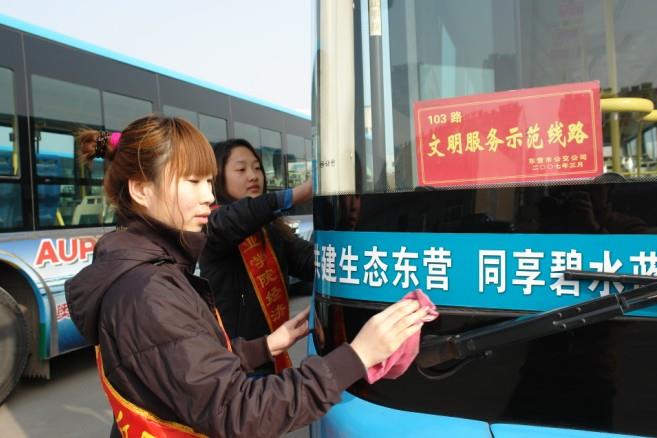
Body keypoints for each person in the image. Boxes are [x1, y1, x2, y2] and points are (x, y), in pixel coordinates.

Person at [65, 116, 430, 438]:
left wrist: (265, 346)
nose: (207, 195)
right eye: (192, 181)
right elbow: (237, 411)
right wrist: (358, 355)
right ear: (141, 189)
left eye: (208, 181)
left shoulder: (150, 272)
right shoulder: (149, 291)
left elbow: (190, 359)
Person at [199, 139, 313, 373]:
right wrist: (293, 195)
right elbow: (236, 220)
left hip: (272, 354)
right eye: (241, 169)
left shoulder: (270, 228)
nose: (253, 176)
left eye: (258, 168)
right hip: (235, 361)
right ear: (218, 177)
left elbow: (305, 260)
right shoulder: (212, 224)